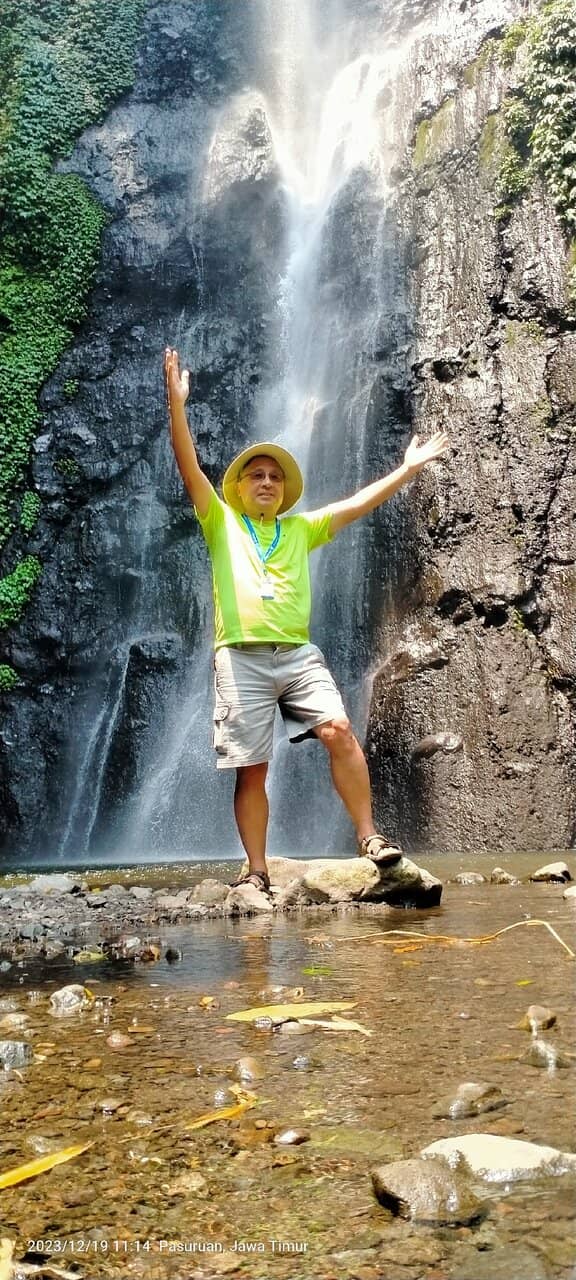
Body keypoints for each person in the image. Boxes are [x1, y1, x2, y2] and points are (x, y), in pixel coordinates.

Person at [165, 347, 449, 894]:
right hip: (241, 657)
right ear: (239, 487)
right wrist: (177, 405)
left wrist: (408, 469)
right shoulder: (220, 521)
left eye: (274, 476)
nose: (266, 481)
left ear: (283, 489)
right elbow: (189, 466)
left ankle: (369, 837)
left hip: (297, 654)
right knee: (253, 767)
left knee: (338, 729)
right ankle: (257, 870)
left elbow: (356, 505)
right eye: (256, 475)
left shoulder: (301, 528)